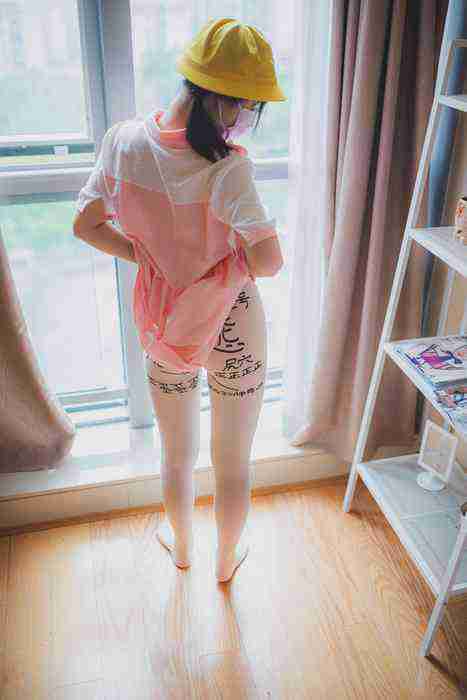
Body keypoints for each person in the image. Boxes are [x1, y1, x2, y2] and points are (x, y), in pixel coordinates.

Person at [73, 17, 286, 582]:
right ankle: (225, 561)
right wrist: (223, 269)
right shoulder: (228, 168)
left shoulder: (123, 142)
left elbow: (86, 225)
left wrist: (146, 257)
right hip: (233, 323)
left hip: (163, 319)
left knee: (175, 452)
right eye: (248, 106)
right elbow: (268, 261)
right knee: (233, 459)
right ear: (226, 100)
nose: (246, 118)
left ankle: (184, 547)